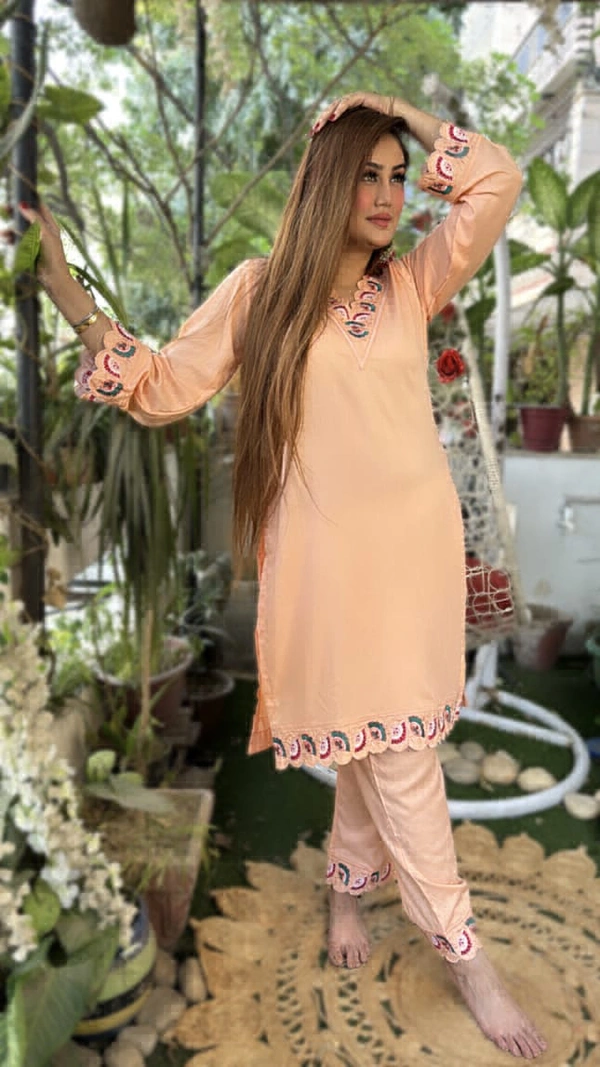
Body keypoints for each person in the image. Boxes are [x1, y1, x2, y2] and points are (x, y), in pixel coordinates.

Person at [21, 91, 547, 1060]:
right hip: (332, 576)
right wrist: (66, 289)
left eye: (398, 176)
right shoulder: (259, 292)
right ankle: (467, 955)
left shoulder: (410, 284)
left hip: (416, 565)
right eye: (366, 173)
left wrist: (399, 112)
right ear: (323, 182)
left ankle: (346, 892)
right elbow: (163, 385)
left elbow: (498, 180)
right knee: (401, 757)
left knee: (376, 744)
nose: (387, 194)